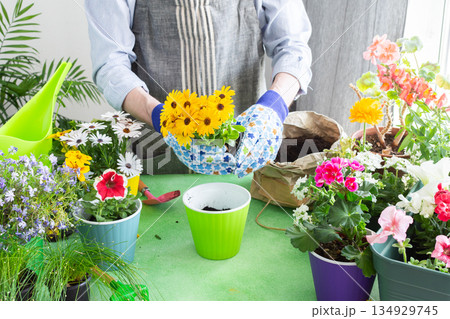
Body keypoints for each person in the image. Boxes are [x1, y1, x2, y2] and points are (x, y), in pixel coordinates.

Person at [84, 0, 312, 176]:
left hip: (245, 149)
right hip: (159, 150)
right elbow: (110, 64)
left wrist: (273, 108)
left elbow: (292, 46)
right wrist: (162, 117)